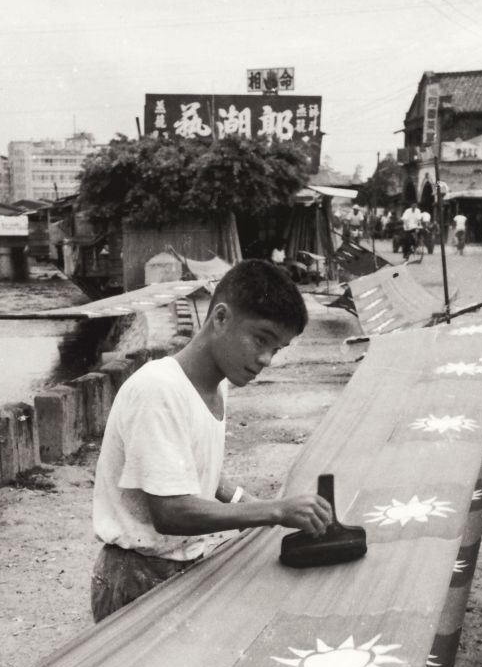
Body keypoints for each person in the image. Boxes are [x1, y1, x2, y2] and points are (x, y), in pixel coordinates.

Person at [90, 260, 333, 622]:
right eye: (261, 339)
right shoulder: (158, 390)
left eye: (277, 349)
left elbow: (190, 468)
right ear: (220, 318)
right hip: (136, 576)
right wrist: (275, 511)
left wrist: (247, 501)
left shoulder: (216, 384)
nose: (266, 359)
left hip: (182, 564)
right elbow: (171, 512)